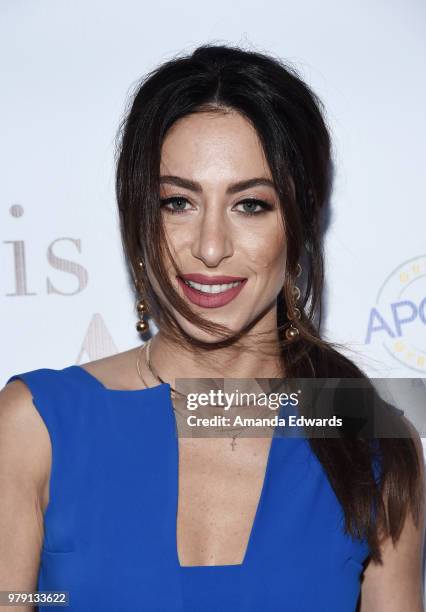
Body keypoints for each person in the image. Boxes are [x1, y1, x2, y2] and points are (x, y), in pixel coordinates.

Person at [0, 43, 424, 612]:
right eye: (178, 202)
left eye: (250, 205)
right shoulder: (37, 426)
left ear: (298, 224)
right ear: (139, 218)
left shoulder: (371, 443)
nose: (209, 247)